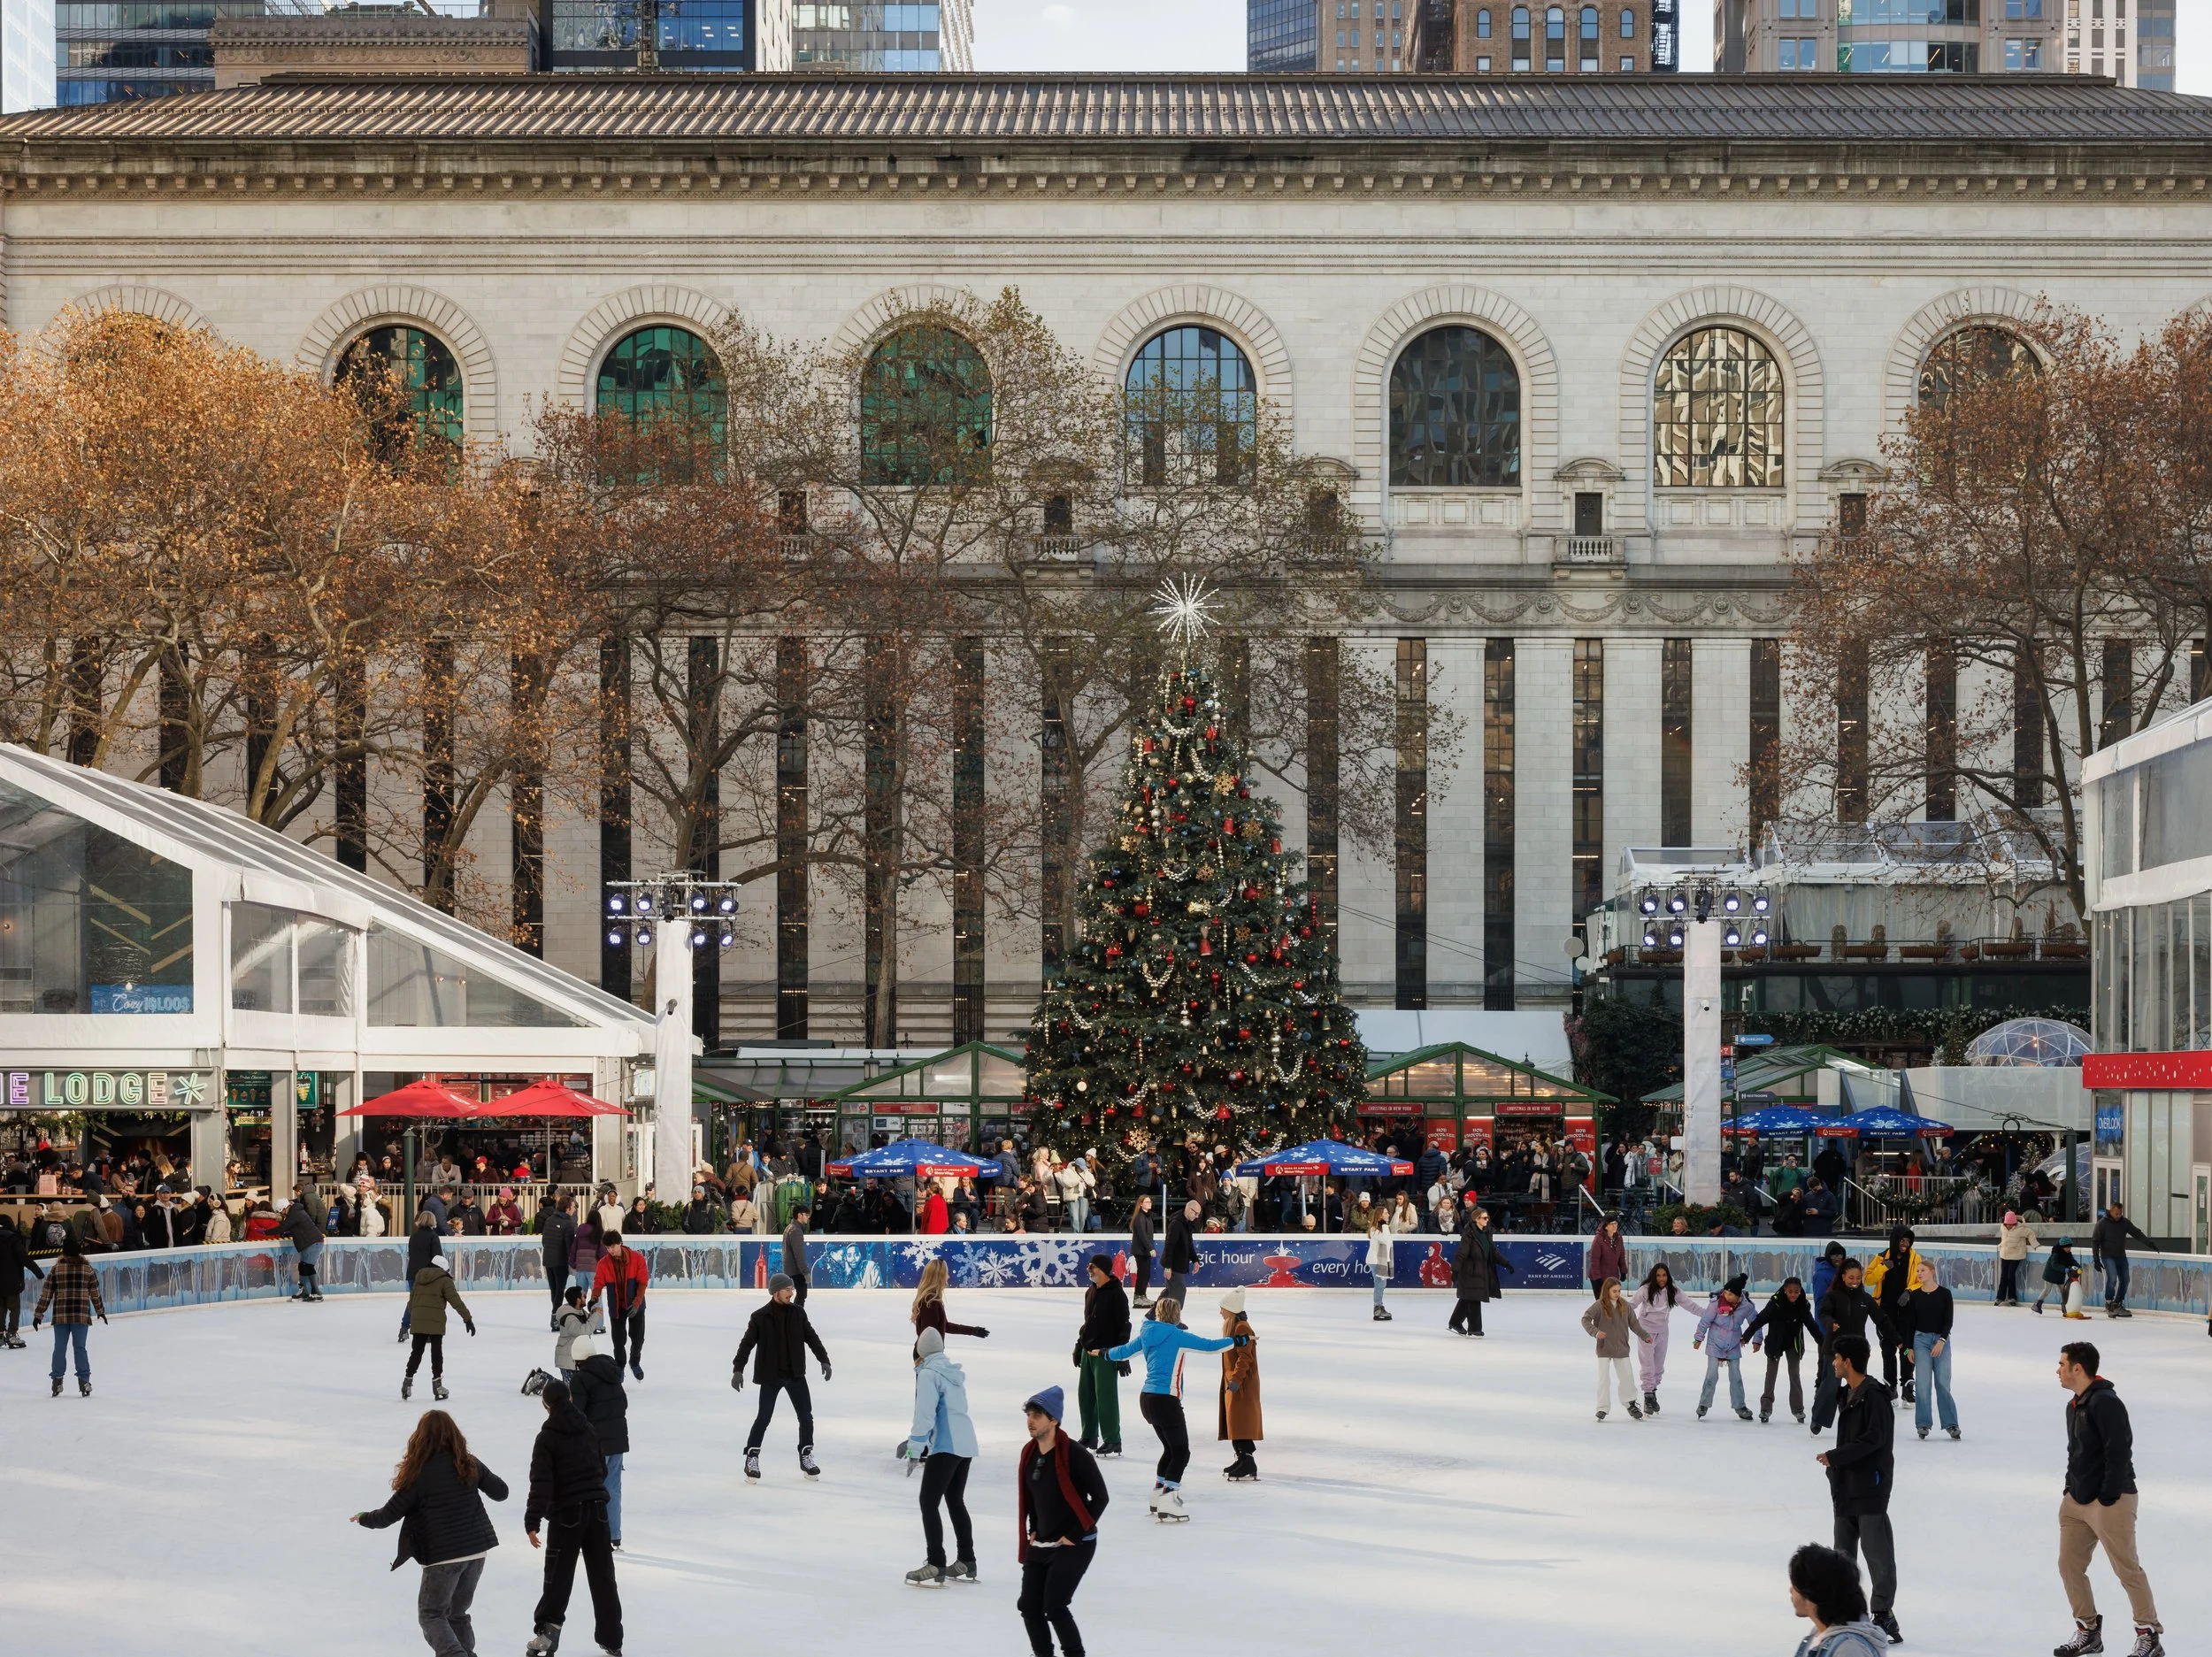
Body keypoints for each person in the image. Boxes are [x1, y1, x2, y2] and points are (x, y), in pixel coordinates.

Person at [351, 1409, 510, 1657]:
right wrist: (479, 1475)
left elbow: (387, 1516)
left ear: (420, 1438)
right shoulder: (469, 1464)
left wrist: (363, 1518)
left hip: (443, 1557)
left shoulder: (419, 1475)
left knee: (432, 1614)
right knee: (457, 1614)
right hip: (476, 1552)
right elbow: (501, 1492)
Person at [2054, 1341, 2162, 1657]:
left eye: (2062, 1364)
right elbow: (2076, 1453)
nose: (2057, 1370)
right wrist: (2069, 1489)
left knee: (2126, 1568)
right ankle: (2087, 1631)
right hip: (2077, 1501)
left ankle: (2149, 1634)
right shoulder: (2074, 1405)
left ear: (2078, 1368)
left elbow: (2119, 1451)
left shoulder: (2106, 1403)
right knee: (2069, 1565)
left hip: (2110, 1500)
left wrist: (2108, 1495)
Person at [1107, 1295, 1241, 1521]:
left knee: (1170, 1450)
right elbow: (1210, 1346)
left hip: (1147, 1399)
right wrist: (1238, 1341)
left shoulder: (1147, 1334)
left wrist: (1104, 1353)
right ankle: (1169, 1499)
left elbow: (1123, 1351)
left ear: (1158, 1313)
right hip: (1165, 1400)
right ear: (1177, 1315)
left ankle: (1159, 1495)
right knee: (1181, 1452)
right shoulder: (1178, 1336)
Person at [524, 1377, 621, 1657]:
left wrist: (532, 1521)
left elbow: (541, 1483)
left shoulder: (547, 1437)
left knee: (558, 1576)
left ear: (546, 1405)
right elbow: (601, 1470)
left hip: (568, 1514)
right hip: (597, 1512)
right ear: (569, 1400)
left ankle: (548, 1635)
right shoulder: (588, 1429)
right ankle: (613, 1639)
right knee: (603, 1577)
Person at [1818, 1335, 1900, 1645]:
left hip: (1870, 1487)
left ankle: (1883, 1614)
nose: (1834, 1363)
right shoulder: (1848, 1394)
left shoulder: (1875, 1397)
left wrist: (1836, 1457)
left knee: (1877, 1555)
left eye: (1837, 1358)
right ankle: (1847, 1614)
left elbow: (1874, 1440)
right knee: (1843, 1557)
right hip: (1845, 1487)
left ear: (1848, 1361)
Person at [1018, 1385, 1109, 1657]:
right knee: (1029, 1606)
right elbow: (1034, 1496)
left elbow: (1100, 1498)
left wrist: (1073, 1534)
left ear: (1054, 1420)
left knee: (1055, 1606)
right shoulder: (1029, 1453)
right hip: (1043, 1541)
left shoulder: (1075, 1454)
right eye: (1029, 1414)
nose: (1031, 1420)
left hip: (1075, 1543)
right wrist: (1033, 1528)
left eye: (1037, 1415)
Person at [731, 1272, 832, 1481]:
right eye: (788, 1290)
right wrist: (738, 1369)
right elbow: (746, 1345)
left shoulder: (798, 1314)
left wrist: (824, 1359)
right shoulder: (759, 1317)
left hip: (795, 1374)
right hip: (771, 1375)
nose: (792, 1293)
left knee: (806, 1417)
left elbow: (812, 1337)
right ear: (776, 1291)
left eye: (792, 1289)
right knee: (764, 1418)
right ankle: (752, 1456)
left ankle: (806, 1455)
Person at [903, 1326, 979, 1587]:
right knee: (955, 1501)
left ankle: (936, 1562)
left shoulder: (928, 1374)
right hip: (966, 1444)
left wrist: (915, 1449)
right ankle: (967, 1560)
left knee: (928, 1501)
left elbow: (924, 1415)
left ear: (920, 1352)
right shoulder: (952, 1372)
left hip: (946, 1446)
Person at [568, 1331, 631, 1549]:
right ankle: (614, 1536)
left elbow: (577, 1414)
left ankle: (591, 1536)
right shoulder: (613, 1373)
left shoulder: (580, 1379)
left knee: (589, 1491)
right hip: (617, 1442)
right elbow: (623, 1404)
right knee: (612, 1488)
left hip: (594, 1445)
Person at [1815, 1260, 1888, 1436]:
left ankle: (1855, 1421)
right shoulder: (1833, 1295)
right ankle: (1818, 1418)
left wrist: (1898, 1339)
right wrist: (1831, 1323)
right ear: (1843, 1277)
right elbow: (1823, 1313)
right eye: (1851, 1277)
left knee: (1857, 1387)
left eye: (1858, 1277)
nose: (1855, 1280)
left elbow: (1881, 1318)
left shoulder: (1864, 1298)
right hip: (1834, 1348)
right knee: (1830, 1385)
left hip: (1857, 1350)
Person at [31, 1232, 106, 1397]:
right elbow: (95, 1293)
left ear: (64, 1252)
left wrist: (38, 1314)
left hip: (61, 1315)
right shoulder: (87, 1269)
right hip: (80, 1315)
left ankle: (57, 1381)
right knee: (80, 1348)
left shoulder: (57, 1269)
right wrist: (100, 1310)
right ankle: (84, 1381)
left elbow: (46, 1294)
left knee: (59, 1348)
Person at [1787, 1542, 1893, 1657]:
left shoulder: (1849, 1650)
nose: (1790, 1590)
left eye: (1795, 1584)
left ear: (1813, 1593)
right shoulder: (1819, 1635)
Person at [1629, 1262, 1707, 1415]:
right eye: (1658, 1275)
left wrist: (1708, 1314)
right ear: (1654, 1276)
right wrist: (1613, 1312)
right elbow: (1631, 1305)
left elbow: (1690, 1305)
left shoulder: (1673, 1291)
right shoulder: (1645, 1290)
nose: (1661, 1278)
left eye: (1664, 1275)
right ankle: (1648, 1395)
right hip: (1645, 1331)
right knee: (1647, 1363)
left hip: (1663, 1331)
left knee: (1658, 1365)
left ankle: (1652, 1394)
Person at [1747, 1276, 1823, 1425]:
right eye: (1790, 1291)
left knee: (1794, 1374)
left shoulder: (1802, 1305)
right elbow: (1760, 1319)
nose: (1793, 1294)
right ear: (1785, 1290)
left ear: (1800, 1291)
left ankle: (1798, 1409)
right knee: (1771, 1374)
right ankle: (1766, 1408)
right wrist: (1747, 1335)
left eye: (1796, 1292)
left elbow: (1812, 1326)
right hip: (1775, 1342)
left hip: (1793, 1343)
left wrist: (1823, 1342)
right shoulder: (1776, 1303)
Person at [1074, 1254, 1129, 1456]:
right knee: (1086, 1395)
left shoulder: (1117, 1295)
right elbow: (1088, 1323)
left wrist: (1121, 1354)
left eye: (1093, 1267)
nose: (1089, 1270)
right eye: (1089, 1267)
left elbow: (1124, 1326)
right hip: (1089, 1351)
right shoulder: (1090, 1292)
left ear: (1104, 1270)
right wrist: (1079, 1345)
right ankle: (1089, 1435)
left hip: (1107, 1354)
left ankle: (1113, 1439)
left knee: (1106, 1398)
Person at [1863, 1228, 1925, 1402]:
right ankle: (1890, 1386)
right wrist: (1883, 1267)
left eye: (1908, 1241)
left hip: (1907, 1312)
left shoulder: (1915, 1258)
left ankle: (1907, 1385)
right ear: (1895, 1240)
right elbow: (1868, 1280)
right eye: (1902, 1241)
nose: (1905, 1245)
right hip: (1885, 1312)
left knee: (1906, 1348)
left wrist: (1909, 1291)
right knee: (1888, 1348)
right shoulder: (1882, 1257)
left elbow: (1920, 1280)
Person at [403, 1254, 475, 1402]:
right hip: (436, 1322)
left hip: (418, 1320)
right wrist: (468, 1319)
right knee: (436, 1353)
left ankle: (407, 1384)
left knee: (416, 1352)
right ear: (443, 1268)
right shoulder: (444, 1280)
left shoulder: (419, 1278)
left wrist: (415, 1316)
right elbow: (456, 1301)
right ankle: (438, 1386)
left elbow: (411, 1302)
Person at [1693, 1272, 1761, 1421]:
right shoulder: (1716, 1304)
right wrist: (1698, 1338)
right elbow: (1705, 1321)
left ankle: (1740, 1406)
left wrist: (1757, 1339)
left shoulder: (1746, 1307)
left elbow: (1756, 1322)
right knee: (1711, 1375)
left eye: (1730, 1294)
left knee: (1736, 1376)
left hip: (1734, 1344)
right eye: (1726, 1292)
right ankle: (1703, 1404)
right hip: (1714, 1343)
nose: (1727, 1296)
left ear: (1738, 1296)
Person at [1580, 1276, 1650, 1421]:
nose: (1617, 1294)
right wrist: (1596, 1332)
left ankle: (1630, 1403)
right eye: (1614, 1291)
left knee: (1627, 1377)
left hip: (1621, 1348)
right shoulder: (1599, 1305)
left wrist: (1644, 1336)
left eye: (1619, 1291)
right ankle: (1602, 1408)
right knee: (1604, 1379)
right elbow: (1585, 1319)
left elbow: (1634, 1324)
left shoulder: (1625, 1305)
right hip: (1604, 1348)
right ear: (1607, 1291)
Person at [588, 1231, 650, 1382]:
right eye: (608, 1248)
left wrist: (636, 1303)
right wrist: (594, 1298)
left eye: (613, 1247)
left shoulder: (637, 1258)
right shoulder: (604, 1263)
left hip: (636, 1304)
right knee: (618, 1340)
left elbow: (642, 1282)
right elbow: (598, 1282)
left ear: (620, 1243)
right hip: (616, 1306)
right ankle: (620, 1366)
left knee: (637, 1338)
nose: (611, 1251)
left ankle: (634, 1362)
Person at [1907, 1260, 1958, 1441]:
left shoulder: (1945, 1294)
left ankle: (1951, 1423)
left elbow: (1948, 1320)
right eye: (1917, 1271)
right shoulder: (1914, 1296)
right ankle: (1923, 1423)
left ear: (1932, 1272)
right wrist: (1908, 1349)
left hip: (1941, 1341)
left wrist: (1942, 1341)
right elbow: (1910, 1324)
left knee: (1943, 1383)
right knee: (1923, 1383)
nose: (1919, 1273)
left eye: (1923, 1270)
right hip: (1920, 1341)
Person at [1217, 1288, 1263, 1481]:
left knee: (1240, 1421)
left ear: (1231, 1309)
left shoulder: (1241, 1327)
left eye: (1223, 1308)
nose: (1220, 1312)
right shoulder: (1234, 1325)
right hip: (1233, 1380)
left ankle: (1247, 1460)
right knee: (1234, 1421)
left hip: (1241, 1383)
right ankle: (1242, 1457)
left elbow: (1245, 1358)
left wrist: (1236, 1380)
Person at [1449, 1207, 1510, 1335]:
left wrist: (1506, 1264)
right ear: (1476, 1220)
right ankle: (1475, 1329)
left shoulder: (1486, 1233)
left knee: (1468, 1298)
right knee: (1474, 1299)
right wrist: (1455, 1270)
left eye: (1488, 1217)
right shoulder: (1469, 1235)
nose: (1487, 1220)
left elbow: (1493, 1252)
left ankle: (1455, 1322)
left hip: (1481, 1271)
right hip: (1469, 1272)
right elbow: (1461, 1254)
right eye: (1484, 1218)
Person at [911, 1256, 990, 1355]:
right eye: (946, 1273)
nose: (948, 1277)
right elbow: (928, 1335)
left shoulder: (931, 1300)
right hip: (927, 1356)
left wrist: (973, 1331)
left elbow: (945, 1326)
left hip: (929, 1354)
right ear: (939, 1276)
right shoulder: (930, 1302)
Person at [2091, 1203, 2155, 1318]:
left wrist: (2149, 1243)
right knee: (2112, 1279)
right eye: (2117, 1213)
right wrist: (2096, 1259)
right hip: (2108, 1256)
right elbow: (2095, 1241)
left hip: (2121, 1256)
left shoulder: (2124, 1223)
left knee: (2125, 1280)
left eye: (2121, 1213)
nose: (2119, 1216)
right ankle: (2109, 1303)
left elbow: (2137, 1233)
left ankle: (2118, 1303)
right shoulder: (2102, 1224)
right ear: (2111, 1211)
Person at [0, 1211, 44, 1348]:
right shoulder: (12, 1239)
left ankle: (0, 1334)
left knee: (0, 1308)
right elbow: (24, 1258)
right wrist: (38, 1273)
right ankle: (12, 1334)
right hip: (12, 1280)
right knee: (14, 1308)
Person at [280, 1181, 326, 1303]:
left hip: (315, 1233)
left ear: (300, 1191)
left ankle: (316, 1292)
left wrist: (307, 1226)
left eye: (296, 1192)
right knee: (303, 1265)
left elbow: (311, 1214)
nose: (296, 1195)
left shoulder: (308, 1197)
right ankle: (305, 1290)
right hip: (312, 1235)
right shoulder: (307, 1196)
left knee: (308, 1266)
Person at [541, 1193, 577, 1323]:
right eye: (573, 1207)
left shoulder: (550, 1219)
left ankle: (555, 1315)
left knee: (554, 1291)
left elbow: (544, 1241)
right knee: (559, 1291)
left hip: (548, 1260)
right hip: (560, 1262)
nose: (574, 1209)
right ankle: (555, 1318)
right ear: (567, 1208)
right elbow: (570, 1246)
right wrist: (572, 1262)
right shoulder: (568, 1223)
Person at [552, 1284, 601, 1380]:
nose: (585, 1298)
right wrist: (596, 1315)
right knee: (571, 1391)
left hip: (577, 1358)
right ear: (578, 1300)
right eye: (584, 1296)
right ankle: (543, 1381)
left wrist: (592, 1312)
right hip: (569, 1361)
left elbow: (586, 1322)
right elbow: (583, 1331)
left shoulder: (579, 1311)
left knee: (578, 1390)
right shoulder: (569, 1317)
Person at [1159, 1198, 1200, 1308]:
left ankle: (1152, 1314)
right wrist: (1168, 1267)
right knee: (1178, 1290)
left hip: (1178, 1263)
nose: (1197, 1217)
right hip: (1173, 1264)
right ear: (1189, 1209)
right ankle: (1173, 1318)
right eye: (1196, 1213)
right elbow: (1169, 1246)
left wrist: (1195, 1260)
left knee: (1170, 1291)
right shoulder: (1176, 1223)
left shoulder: (1187, 1223)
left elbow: (1189, 1244)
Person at [1996, 1210, 2039, 1306]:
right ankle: (2000, 1297)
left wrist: (2034, 1244)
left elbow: (2030, 1233)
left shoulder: (2021, 1229)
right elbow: (2005, 1239)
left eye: (2012, 1224)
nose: (2009, 1226)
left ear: (2015, 1223)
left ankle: (2012, 1297)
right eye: (2008, 1224)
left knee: (2010, 1275)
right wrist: (2001, 1245)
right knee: (2003, 1277)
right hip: (2005, 1254)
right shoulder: (2003, 1228)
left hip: (2016, 1255)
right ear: (2005, 1223)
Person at [2038, 1238, 2087, 1317]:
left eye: (2070, 1247)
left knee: (2063, 1292)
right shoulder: (2056, 1254)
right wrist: (2064, 1269)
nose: (2069, 1249)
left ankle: (2065, 1309)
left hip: (2060, 1275)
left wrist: (2078, 1267)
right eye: (2067, 1247)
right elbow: (2054, 1264)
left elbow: (2072, 1262)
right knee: (2047, 1290)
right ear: (2062, 1247)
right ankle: (2037, 1305)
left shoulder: (2068, 1254)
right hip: (2050, 1274)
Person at [1586, 1213, 1627, 1299]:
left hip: (1613, 1276)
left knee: (1612, 1302)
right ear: (1605, 1226)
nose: (1615, 1226)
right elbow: (1595, 1260)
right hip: (1599, 1277)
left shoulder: (1619, 1238)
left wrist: (1623, 1271)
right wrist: (1598, 1278)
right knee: (1602, 1304)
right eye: (1612, 1224)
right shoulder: (1598, 1239)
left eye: (1616, 1223)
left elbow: (1621, 1256)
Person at [1365, 1207, 1395, 1321]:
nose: (1388, 1214)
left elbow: (1388, 1242)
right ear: (1380, 1216)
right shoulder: (1375, 1229)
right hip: (1375, 1260)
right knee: (1380, 1284)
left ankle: (1379, 1306)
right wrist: (1384, 1225)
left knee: (1382, 1284)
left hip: (1381, 1260)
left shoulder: (1383, 1228)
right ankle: (1377, 1308)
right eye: (1386, 1213)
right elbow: (1384, 1240)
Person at [1127, 1194, 1156, 1307]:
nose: (1149, 1203)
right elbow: (1143, 1236)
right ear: (1141, 1204)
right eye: (1147, 1202)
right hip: (1141, 1251)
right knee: (1143, 1274)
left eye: (1150, 1202)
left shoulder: (1147, 1216)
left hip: (1144, 1251)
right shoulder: (1140, 1217)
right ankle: (1138, 1297)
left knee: (1145, 1274)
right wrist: (1151, 1249)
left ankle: (1142, 1296)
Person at [781, 1203, 811, 1308]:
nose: (808, 1218)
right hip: (796, 1270)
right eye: (807, 1215)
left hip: (790, 1268)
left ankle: (794, 1316)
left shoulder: (790, 1227)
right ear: (800, 1215)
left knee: (800, 1294)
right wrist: (805, 1272)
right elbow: (799, 1254)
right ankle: (796, 1317)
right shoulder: (796, 1231)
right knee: (802, 1294)